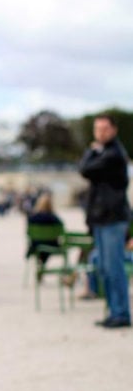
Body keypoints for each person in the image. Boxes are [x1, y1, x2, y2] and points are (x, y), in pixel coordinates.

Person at [79, 115, 131, 328]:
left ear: (114, 130)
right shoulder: (105, 153)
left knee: (113, 267)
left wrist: (92, 150)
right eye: (97, 128)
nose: (100, 133)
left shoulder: (114, 154)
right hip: (102, 219)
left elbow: (84, 169)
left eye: (104, 128)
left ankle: (121, 313)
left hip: (112, 219)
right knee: (105, 268)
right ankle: (114, 311)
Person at [26, 191, 64, 266]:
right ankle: (42, 264)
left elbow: (28, 233)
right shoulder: (54, 218)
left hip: (36, 245)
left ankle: (41, 265)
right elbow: (61, 230)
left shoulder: (32, 218)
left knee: (40, 245)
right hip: (52, 245)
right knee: (48, 243)